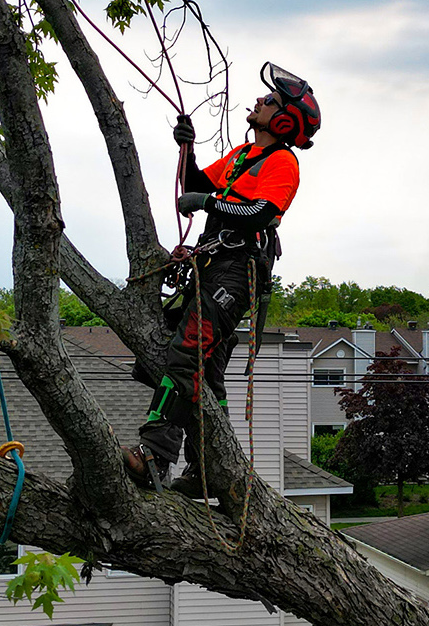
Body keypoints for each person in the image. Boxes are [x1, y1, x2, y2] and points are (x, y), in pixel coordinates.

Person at [124, 62, 320, 493]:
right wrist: (188, 150)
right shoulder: (241, 156)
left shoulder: (282, 163)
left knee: (187, 352)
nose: (257, 101)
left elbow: (262, 214)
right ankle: (209, 471)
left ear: (283, 119)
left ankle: (155, 454)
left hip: (237, 272)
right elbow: (196, 183)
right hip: (212, 266)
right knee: (206, 372)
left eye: (268, 101)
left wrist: (208, 205)